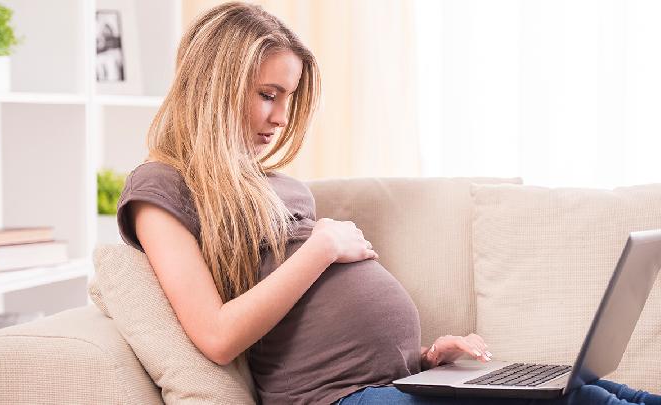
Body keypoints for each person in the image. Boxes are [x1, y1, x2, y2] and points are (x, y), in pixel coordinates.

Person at [115, 2, 661, 404]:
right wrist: (322, 246)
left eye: (288, 98)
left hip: (396, 381)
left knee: (601, 392)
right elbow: (214, 336)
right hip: (336, 397)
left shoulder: (269, 184)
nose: (280, 119)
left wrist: (423, 360)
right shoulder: (160, 188)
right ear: (215, 85)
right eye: (267, 95)